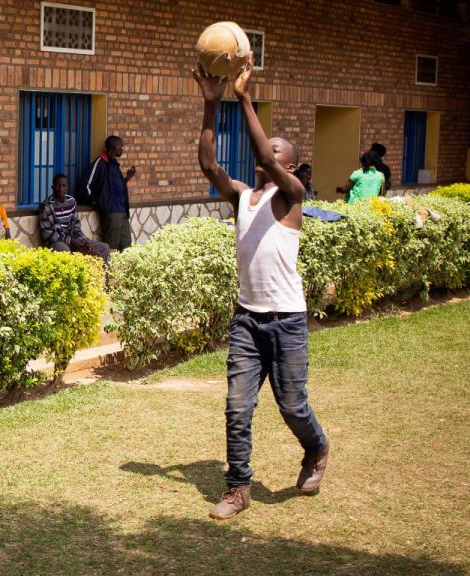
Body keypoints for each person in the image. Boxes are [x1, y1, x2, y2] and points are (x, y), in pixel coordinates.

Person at [194, 56, 330, 521]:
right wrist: (212, 106)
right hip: (247, 319)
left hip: (288, 320)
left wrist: (246, 98)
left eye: (274, 152)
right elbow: (209, 164)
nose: (263, 155)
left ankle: (316, 448)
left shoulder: (292, 197)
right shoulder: (242, 197)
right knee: (237, 407)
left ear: (290, 166)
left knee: (292, 405)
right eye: (264, 150)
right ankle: (238, 488)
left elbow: (269, 159)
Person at [39, 173, 110, 262]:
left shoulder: (71, 201)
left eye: (64, 186)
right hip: (55, 243)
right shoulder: (47, 206)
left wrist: (83, 241)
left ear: (67, 187)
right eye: (58, 186)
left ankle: (104, 276)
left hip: (73, 240)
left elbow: (76, 226)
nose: (61, 189)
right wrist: (71, 241)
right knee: (65, 251)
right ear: (52, 187)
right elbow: (48, 235)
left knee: (104, 248)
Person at [83, 135, 137, 251]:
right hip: (111, 212)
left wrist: (126, 179)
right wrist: (97, 201)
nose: (122, 149)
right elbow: (85, 185)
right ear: (115, 147)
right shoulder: (100, 162)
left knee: (127, 247)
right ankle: (109, 269)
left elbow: (115, 186)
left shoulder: (114, 164)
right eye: (121, 147)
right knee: (112, 248)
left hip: (122, 211)